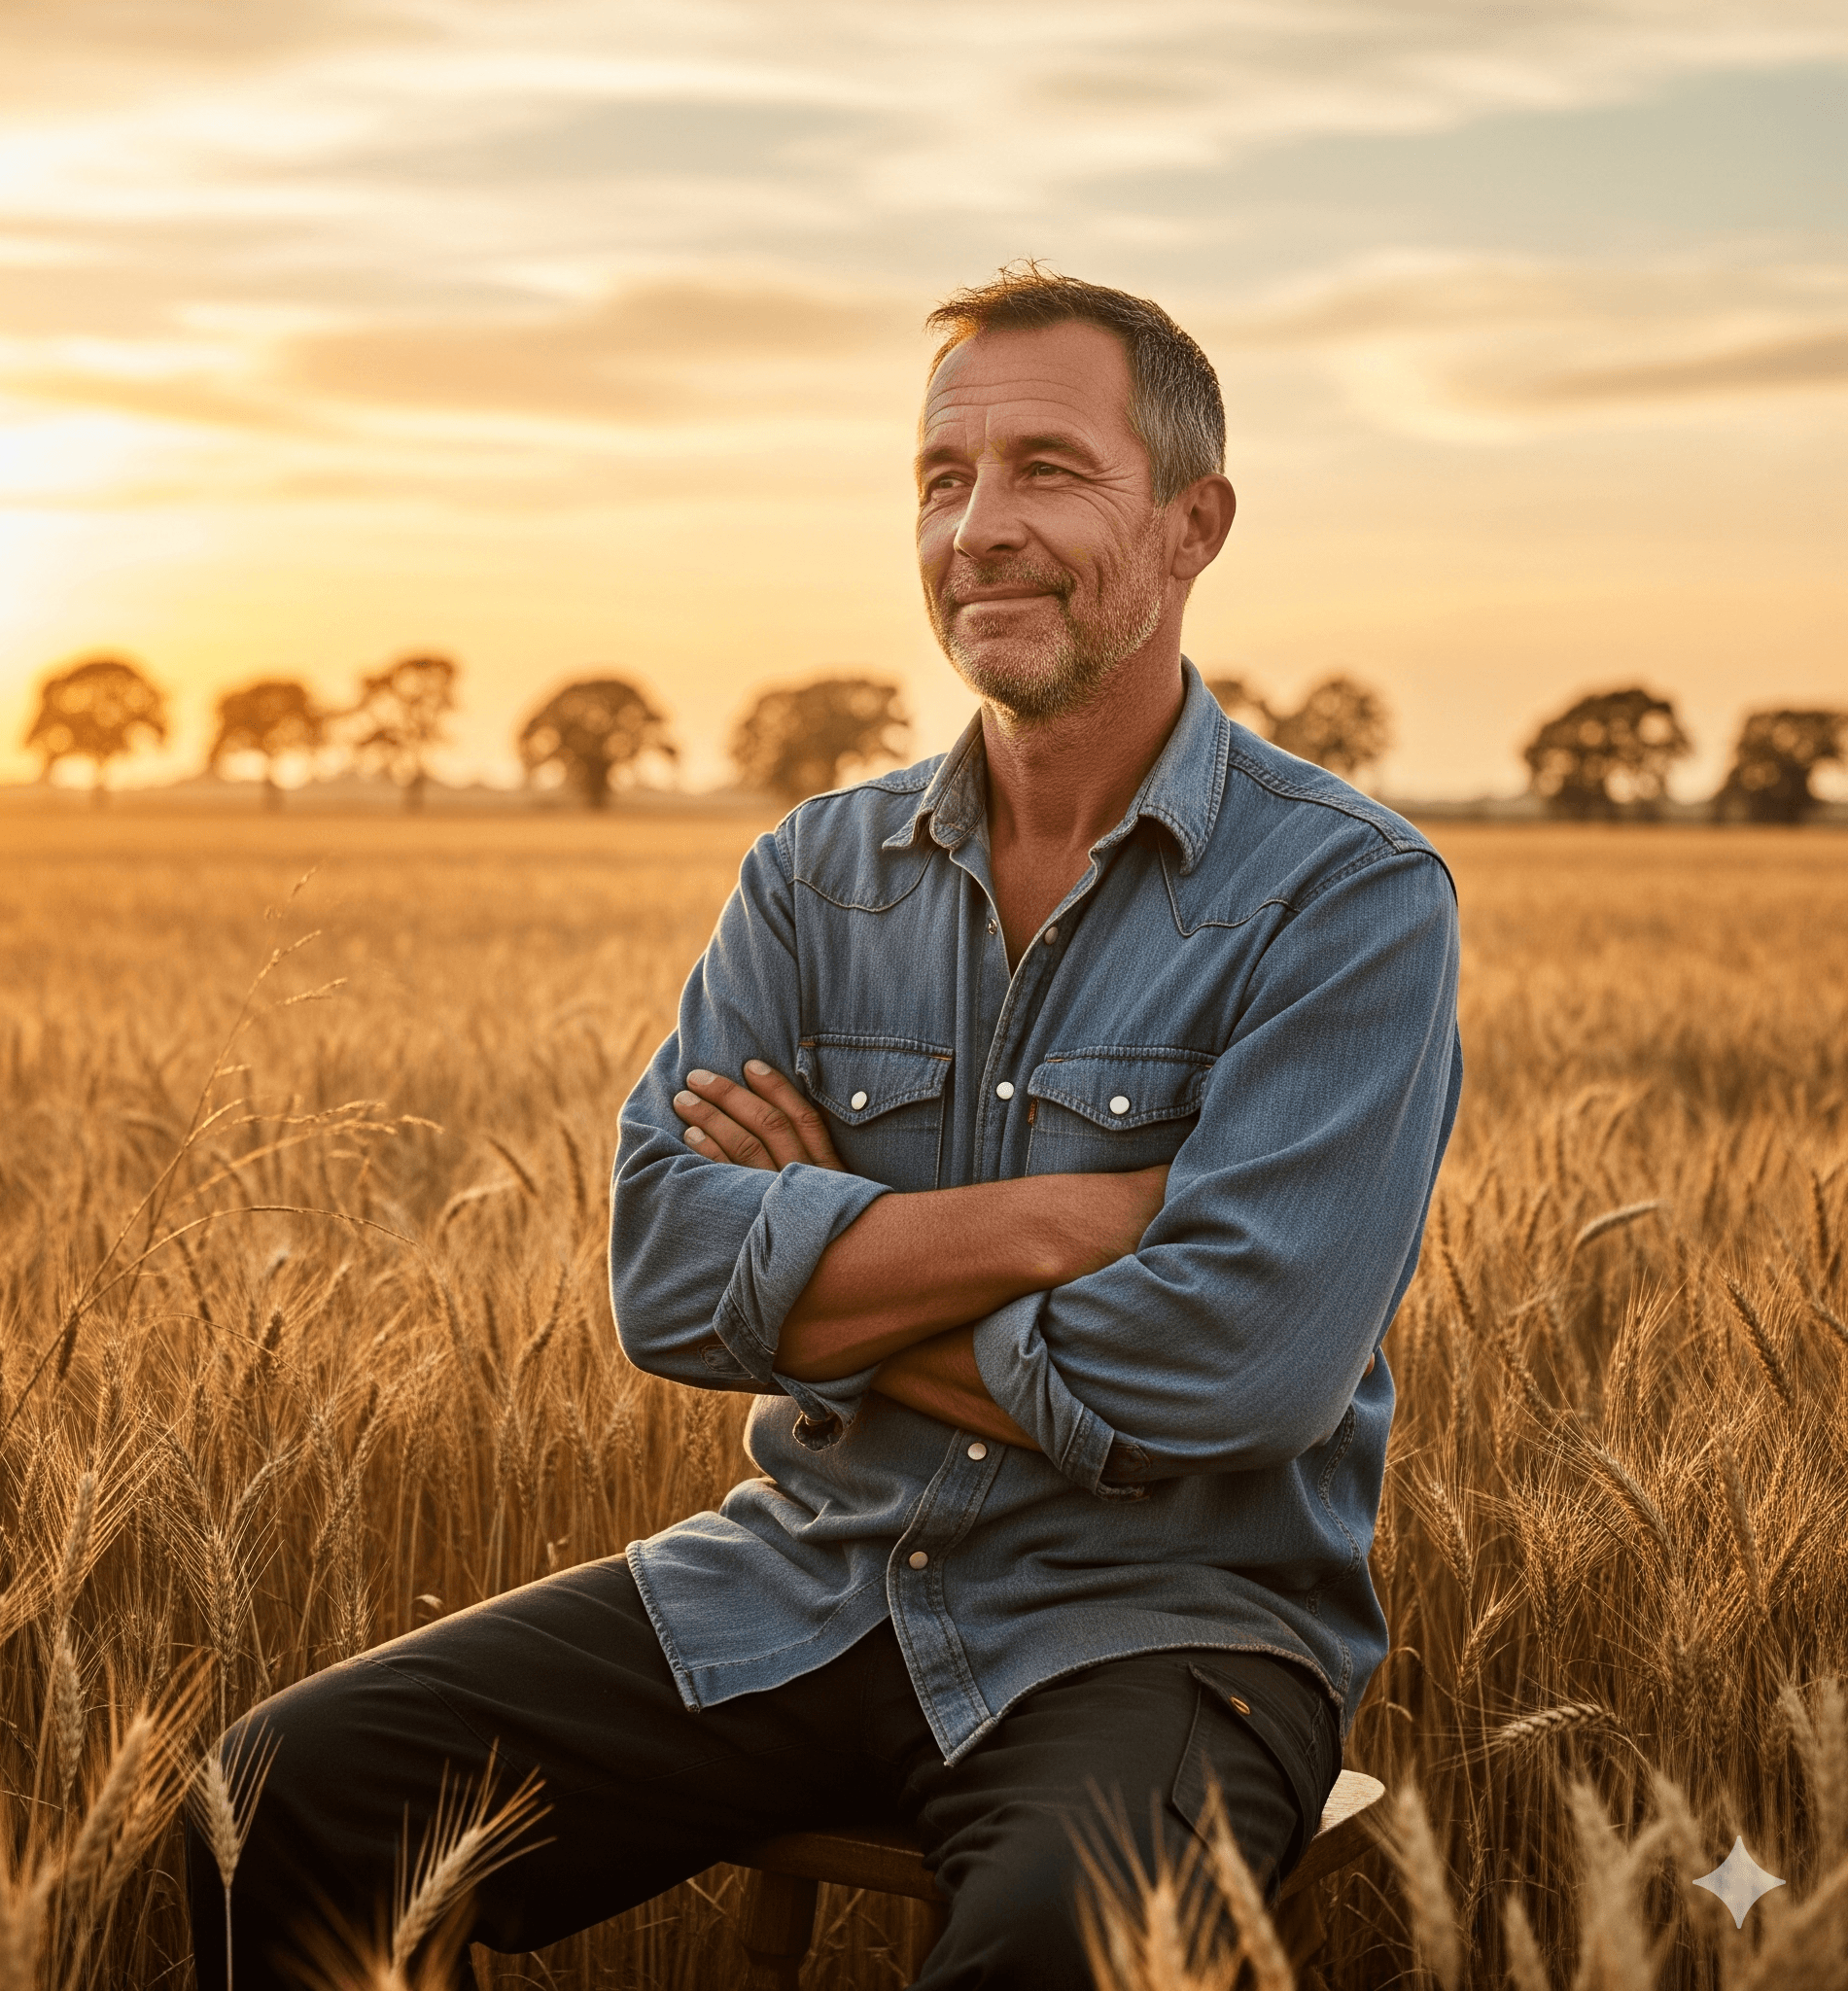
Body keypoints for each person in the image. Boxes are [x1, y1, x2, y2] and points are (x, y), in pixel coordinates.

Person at [189, 266, 1462, 1989]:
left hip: (1163, 1638)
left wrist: (822, 1259)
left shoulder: (1348, 897)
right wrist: (1062, 1222)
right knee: (276, 1799)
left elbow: (1230, 1373)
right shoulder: (813, 873)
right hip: (793, 1577)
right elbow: (660, 1275)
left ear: (1192, 522)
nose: (980, 527)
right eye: (944, 480)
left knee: (1052, 1960)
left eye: (1047, 470)